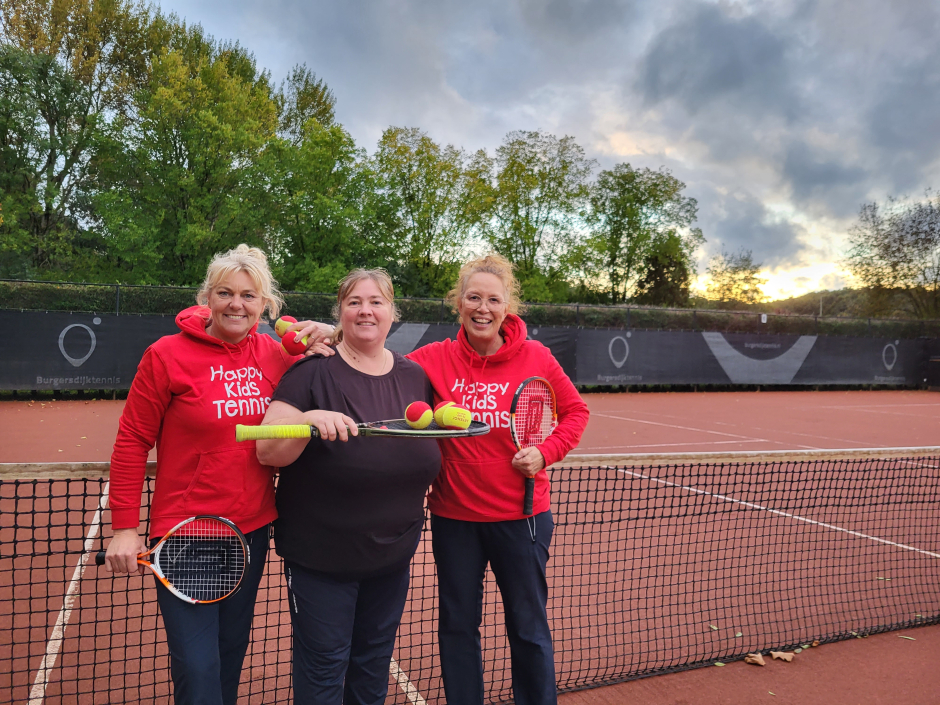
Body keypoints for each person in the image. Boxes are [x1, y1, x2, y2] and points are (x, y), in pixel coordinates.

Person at [104, 244, 322, 705]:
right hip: (184, 535)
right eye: (225, 293)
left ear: (265, 305)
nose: (236, 305)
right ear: (208, 297)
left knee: (229, 653)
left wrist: (330, 335)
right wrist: (124, 527)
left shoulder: (276, 354)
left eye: (248, 295)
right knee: (197, 666)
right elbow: (131, 442)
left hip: (252, 530)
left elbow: (345, 371)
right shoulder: (165, 355)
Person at [406, 254, 589, 705]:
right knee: (457, 625)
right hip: (454, 519)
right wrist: (327, 337)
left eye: (493, 299)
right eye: (473, 297)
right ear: (458, 303)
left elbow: (576, 412)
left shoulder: (537, 357)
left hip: (522, 518)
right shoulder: (432, 359)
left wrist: (545, 453)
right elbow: (377, 371)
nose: (482, 308)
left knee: (527, 626)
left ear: (508, 307)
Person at [255, 268, 441, 705]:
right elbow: (266, 449)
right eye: (355, 301)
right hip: (322, 561)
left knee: (372, 667)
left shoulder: (415, 377)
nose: (366, 310)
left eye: (376, 301)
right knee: (324, 670)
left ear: (393, 311)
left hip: (392, 558)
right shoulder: (312, 373)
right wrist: (304, 420)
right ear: (340, 311)